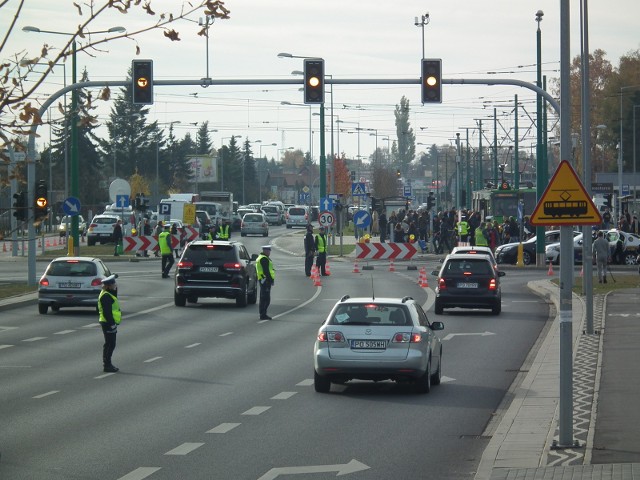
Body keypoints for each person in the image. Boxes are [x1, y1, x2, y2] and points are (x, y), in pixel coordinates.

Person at [98, 274, 121, 373]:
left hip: (108, 322)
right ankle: (107, 365)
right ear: (108, 286)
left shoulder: (108, 293)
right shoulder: (106, 296)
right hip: (107, 322)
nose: (115, 285)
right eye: (113, 283)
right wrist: (112, 324)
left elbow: (114, 296)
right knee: (110, 344)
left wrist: (114, 283)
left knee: (110, 343)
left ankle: (108, 364)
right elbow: (107, 312)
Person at [256, 245, 275, 320]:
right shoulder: (264, 259)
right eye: (269, 251)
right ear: (265, 251)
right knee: (266, 299)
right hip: (265, 280)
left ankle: (262, 313)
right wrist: (271, 280)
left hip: (262, 280)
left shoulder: (261, 257)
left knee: (263, 298)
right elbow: (266, 271)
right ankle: (263, 314)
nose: (269, 252)